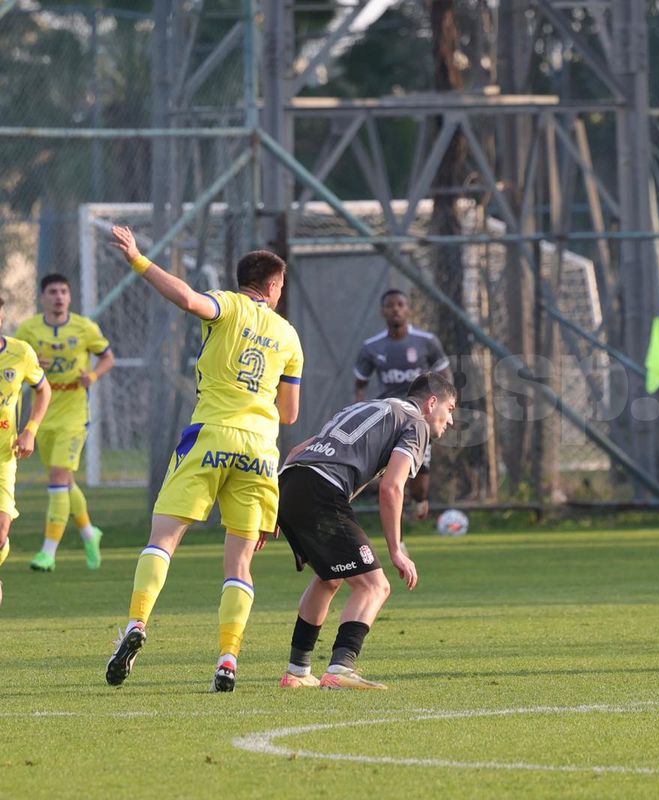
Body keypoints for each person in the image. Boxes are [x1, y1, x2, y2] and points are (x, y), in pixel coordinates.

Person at [105, 225, 304, 692]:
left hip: (210, 435)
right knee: (239, 563)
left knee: (164, 539)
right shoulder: (289, 335)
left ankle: (136, 624)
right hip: (259, 449)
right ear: (273, 286)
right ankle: (228, 659)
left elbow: (191, 300)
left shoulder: (228, 305)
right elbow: (291, 413)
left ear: (245, 283)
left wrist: (138, 258)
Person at [273, 372, 456, 690]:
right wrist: (397, 549)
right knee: (375, 586)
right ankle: (341, 668)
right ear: (431, 403)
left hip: (290, 483)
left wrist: (273, 508)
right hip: (321, 490)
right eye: (450, 409)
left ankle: (298, 672)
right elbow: (392, 488)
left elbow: (296, 453)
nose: (450, 420)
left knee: (330, 578)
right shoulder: (415, 423)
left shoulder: (369, 408)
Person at [16, 273, 115, 572]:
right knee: (65, 482)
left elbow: (107, 356)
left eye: (63, 291)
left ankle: (48, 552)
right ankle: (89, 533)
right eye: (52, 292)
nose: (59, 296)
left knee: (58, 479)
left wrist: (93, 376)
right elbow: (15, 361)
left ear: (70, 297)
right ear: (42, 297)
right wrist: (34, 363)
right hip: (42, 413)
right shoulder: (29, 330)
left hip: (73, 413)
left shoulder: (84, 327)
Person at [353, 289, 451, 519]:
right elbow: (360, 384)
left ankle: (419, 499)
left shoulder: (427, 342)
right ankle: (399, 539)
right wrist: (361, 410)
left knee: (419, 483)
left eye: (400, 304)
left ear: (408, 309)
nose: (395, 309)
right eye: (390, 305)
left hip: (420, 419)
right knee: (392, 479)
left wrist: (443, 409)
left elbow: (445, 377)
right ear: (382, 311)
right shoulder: (371, 347)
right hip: (389, 417)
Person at [0, 296, 53, 606]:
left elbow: (43, 388)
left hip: (4, 456)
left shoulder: (20, 353)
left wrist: (30, 429)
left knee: (2, 530)